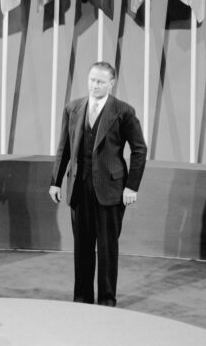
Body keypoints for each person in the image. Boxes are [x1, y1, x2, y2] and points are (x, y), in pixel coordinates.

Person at [49, 61, 147, 306]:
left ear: (111, 84)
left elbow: (139, 150)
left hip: (111, 191)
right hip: (79, 190)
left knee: (106, 249)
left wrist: (131, 186)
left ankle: (106, 302)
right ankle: (82, 299)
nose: (94, 85)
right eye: (92, 80)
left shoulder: (123, 111)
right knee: (82, 248)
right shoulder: (73, 108)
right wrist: (56, 182)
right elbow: (64, 147)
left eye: (100, 81)